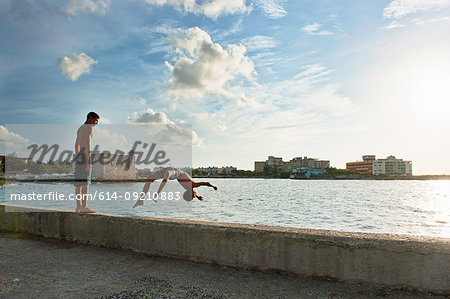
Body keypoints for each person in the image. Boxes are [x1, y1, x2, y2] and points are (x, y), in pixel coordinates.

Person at [133, 167, 217, 208]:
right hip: (174, 172)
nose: (195, 195)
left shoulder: (191, 187)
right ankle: (145, 199)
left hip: (173, 172)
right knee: (153, 178)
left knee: (153, 178)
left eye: (194, 196)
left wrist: (198, 196)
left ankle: (145, 198)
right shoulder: (192, 186)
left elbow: (199, 188)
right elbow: (206, 183)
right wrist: (214, 186)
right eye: (194, 196)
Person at [74, 111, 99, 213]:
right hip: (84, 157)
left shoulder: (80, 128)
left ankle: (78, 207)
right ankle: (84, 206)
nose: (96, 123)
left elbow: (76, 144)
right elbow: (88, 144)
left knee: (78, 184)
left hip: (79, 157)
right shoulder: (89, 128)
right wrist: (88, 161)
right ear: (90, 118)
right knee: (85, 183)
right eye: (96, 120)